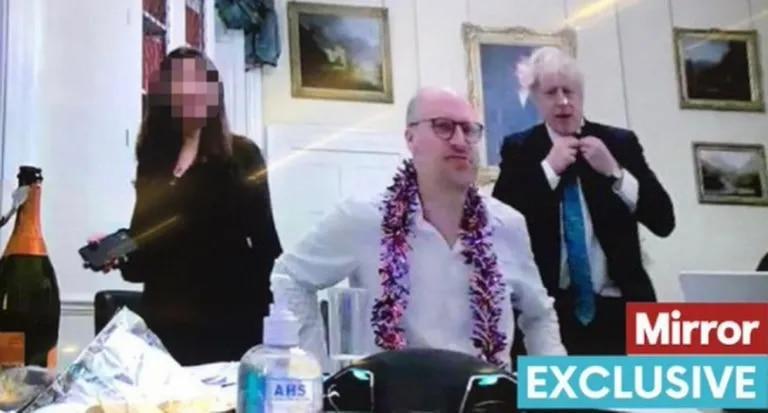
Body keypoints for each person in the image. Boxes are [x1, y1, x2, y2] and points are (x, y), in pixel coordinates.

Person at [271, 87, 566, 371]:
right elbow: (290, 276)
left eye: (469, 130)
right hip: (392, 395)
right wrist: (312, 371)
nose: (460, 141)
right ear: (410, 138)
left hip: (486, 395)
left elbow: (539, 315)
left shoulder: (508, 225)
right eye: (443, 126)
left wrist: (559, 395)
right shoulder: (364, 218)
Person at [94, 47, 281, 365]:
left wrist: (271, 326)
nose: (190, 92)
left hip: (230, 325)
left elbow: (266, 246)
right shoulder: (153, 162)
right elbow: (145, 250)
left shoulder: (242, 156)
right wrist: (116, 250)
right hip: (165, 325)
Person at [492, 47, 675, 356]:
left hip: (620, 312)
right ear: (536, 99)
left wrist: (616, 173)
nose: (563, 101)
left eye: (569, 91)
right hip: (548, 315)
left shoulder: (619, 143)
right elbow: (500, 225)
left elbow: (663, 221)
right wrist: (548, 170)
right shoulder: (520, 149)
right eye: (551, 92)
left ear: (581, 95)